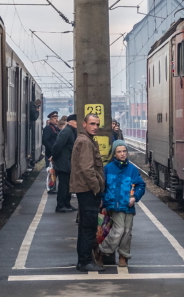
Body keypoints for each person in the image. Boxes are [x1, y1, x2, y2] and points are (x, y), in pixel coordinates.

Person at [95, 139, 145, 268]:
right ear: (114, 154)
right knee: (119, 230)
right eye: (119, 151)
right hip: (113, 205)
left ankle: (124, 256)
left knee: (127, 231)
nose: (122, 154)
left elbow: (140, 185)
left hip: (128, 205)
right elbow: (102, 186)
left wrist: (135, 197)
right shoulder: (108, 169)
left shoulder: (132, 169)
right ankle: (102, 250)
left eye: (124, 151)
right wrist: (103, 200)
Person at [70, 113, 105, 272]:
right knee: (89, 227)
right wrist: (97, 188)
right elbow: (87, 169)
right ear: (84, 124)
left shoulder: (86, 140)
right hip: (88, 190)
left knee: (85, 225)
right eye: (92, 123)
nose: (95, 127)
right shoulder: (85, 142)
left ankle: (82, 260)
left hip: (84, 189)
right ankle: (85, 261)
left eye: (97, 124)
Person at [51, 114, 77, 212]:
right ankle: (60, 206)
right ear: (71, 122)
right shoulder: (66, 131)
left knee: (68, 185)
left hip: (67, 162)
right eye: (76, 122)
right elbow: (57, 145)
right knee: (63, 185)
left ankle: (67, 204)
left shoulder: (71, 131)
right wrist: (54, 157)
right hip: (63, 162)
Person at [42, 111, 60, 196]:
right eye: (55, 118)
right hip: (50, 153)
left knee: (54, 172)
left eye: (57, 118)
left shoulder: (55, 128)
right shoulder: (48, 128)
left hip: (53, 153)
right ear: (51, 119)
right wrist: (52, 149)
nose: (56, 120)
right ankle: (51, 187)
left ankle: (53, 187)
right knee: (51, 172)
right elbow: (45, 140)